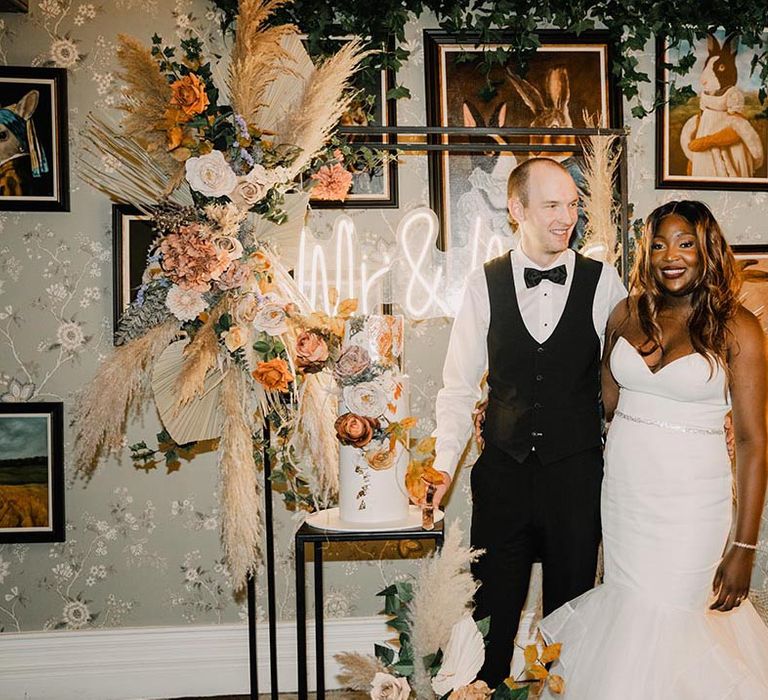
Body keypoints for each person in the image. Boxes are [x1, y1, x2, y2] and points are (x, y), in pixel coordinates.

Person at [540, 200, 768, 698]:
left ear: (707, 248)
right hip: (626, 497)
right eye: (659, 243)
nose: (672, 255)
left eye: (686, 243)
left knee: (680, 618)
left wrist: (744, 547)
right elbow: (601, 404)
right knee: (629, 615)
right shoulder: (627, 313)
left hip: (693, 505)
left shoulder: (739, 329)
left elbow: (753, 442)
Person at [431, 157, 626, 687]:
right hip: (503, 479)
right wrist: (442, 466)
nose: (567, 217)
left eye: (572, 205)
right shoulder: (483, 284)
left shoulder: (603, 282)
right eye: (551, 205)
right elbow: (457, 386)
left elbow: (630, 380)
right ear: (516, 209)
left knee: (571, 620)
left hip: (575, 476)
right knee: (490, 618)